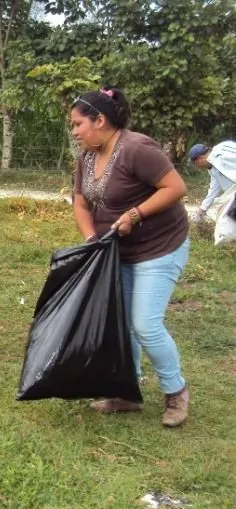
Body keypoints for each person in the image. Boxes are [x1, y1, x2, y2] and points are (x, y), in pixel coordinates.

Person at [70, 87, 190, 427]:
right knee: (120, 323)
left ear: (100, 120)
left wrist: (135, 214)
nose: (75, 131)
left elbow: (176, 188)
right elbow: (81, 202)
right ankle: (126, 392)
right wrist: (91, 239)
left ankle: (176, 391)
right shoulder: (86, 157)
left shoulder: (137, 148)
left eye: (78, 124)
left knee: (145, 325)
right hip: (116, 251)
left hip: (160, 246)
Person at [187, 140, 236, 222]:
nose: (198, 167)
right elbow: (214, 190)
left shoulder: (220, 156)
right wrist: (202, 209)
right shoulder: (212, 168)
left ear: (199, 159)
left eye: (196, 164)